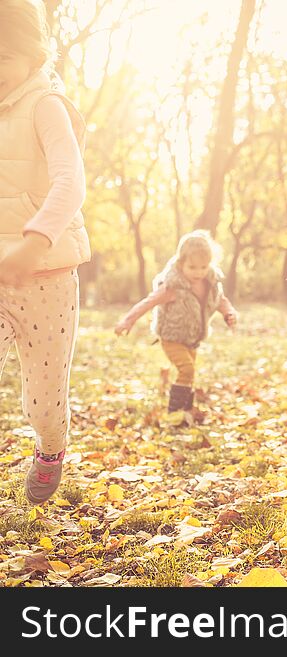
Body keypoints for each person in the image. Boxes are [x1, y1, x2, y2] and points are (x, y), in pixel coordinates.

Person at [0, 0, 90, 504]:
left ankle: (50, 450)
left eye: (3, 56)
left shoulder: (46, 106)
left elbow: (70, 181)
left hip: (48, 277)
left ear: (34, 55)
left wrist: (36, 240)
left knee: (43, 402)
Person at [115, 230, 237, 412]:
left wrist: (228, 314)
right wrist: (128, 320)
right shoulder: (172, 286)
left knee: (189, 373)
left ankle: (186, 412)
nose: (198, 272)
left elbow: (220, 300)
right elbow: (148, 302)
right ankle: (174, 412)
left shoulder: (210, 282)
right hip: (172, 337)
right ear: (181, 263)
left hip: (193, 339)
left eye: (203, 267)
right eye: (192, 267)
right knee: (187, 369)